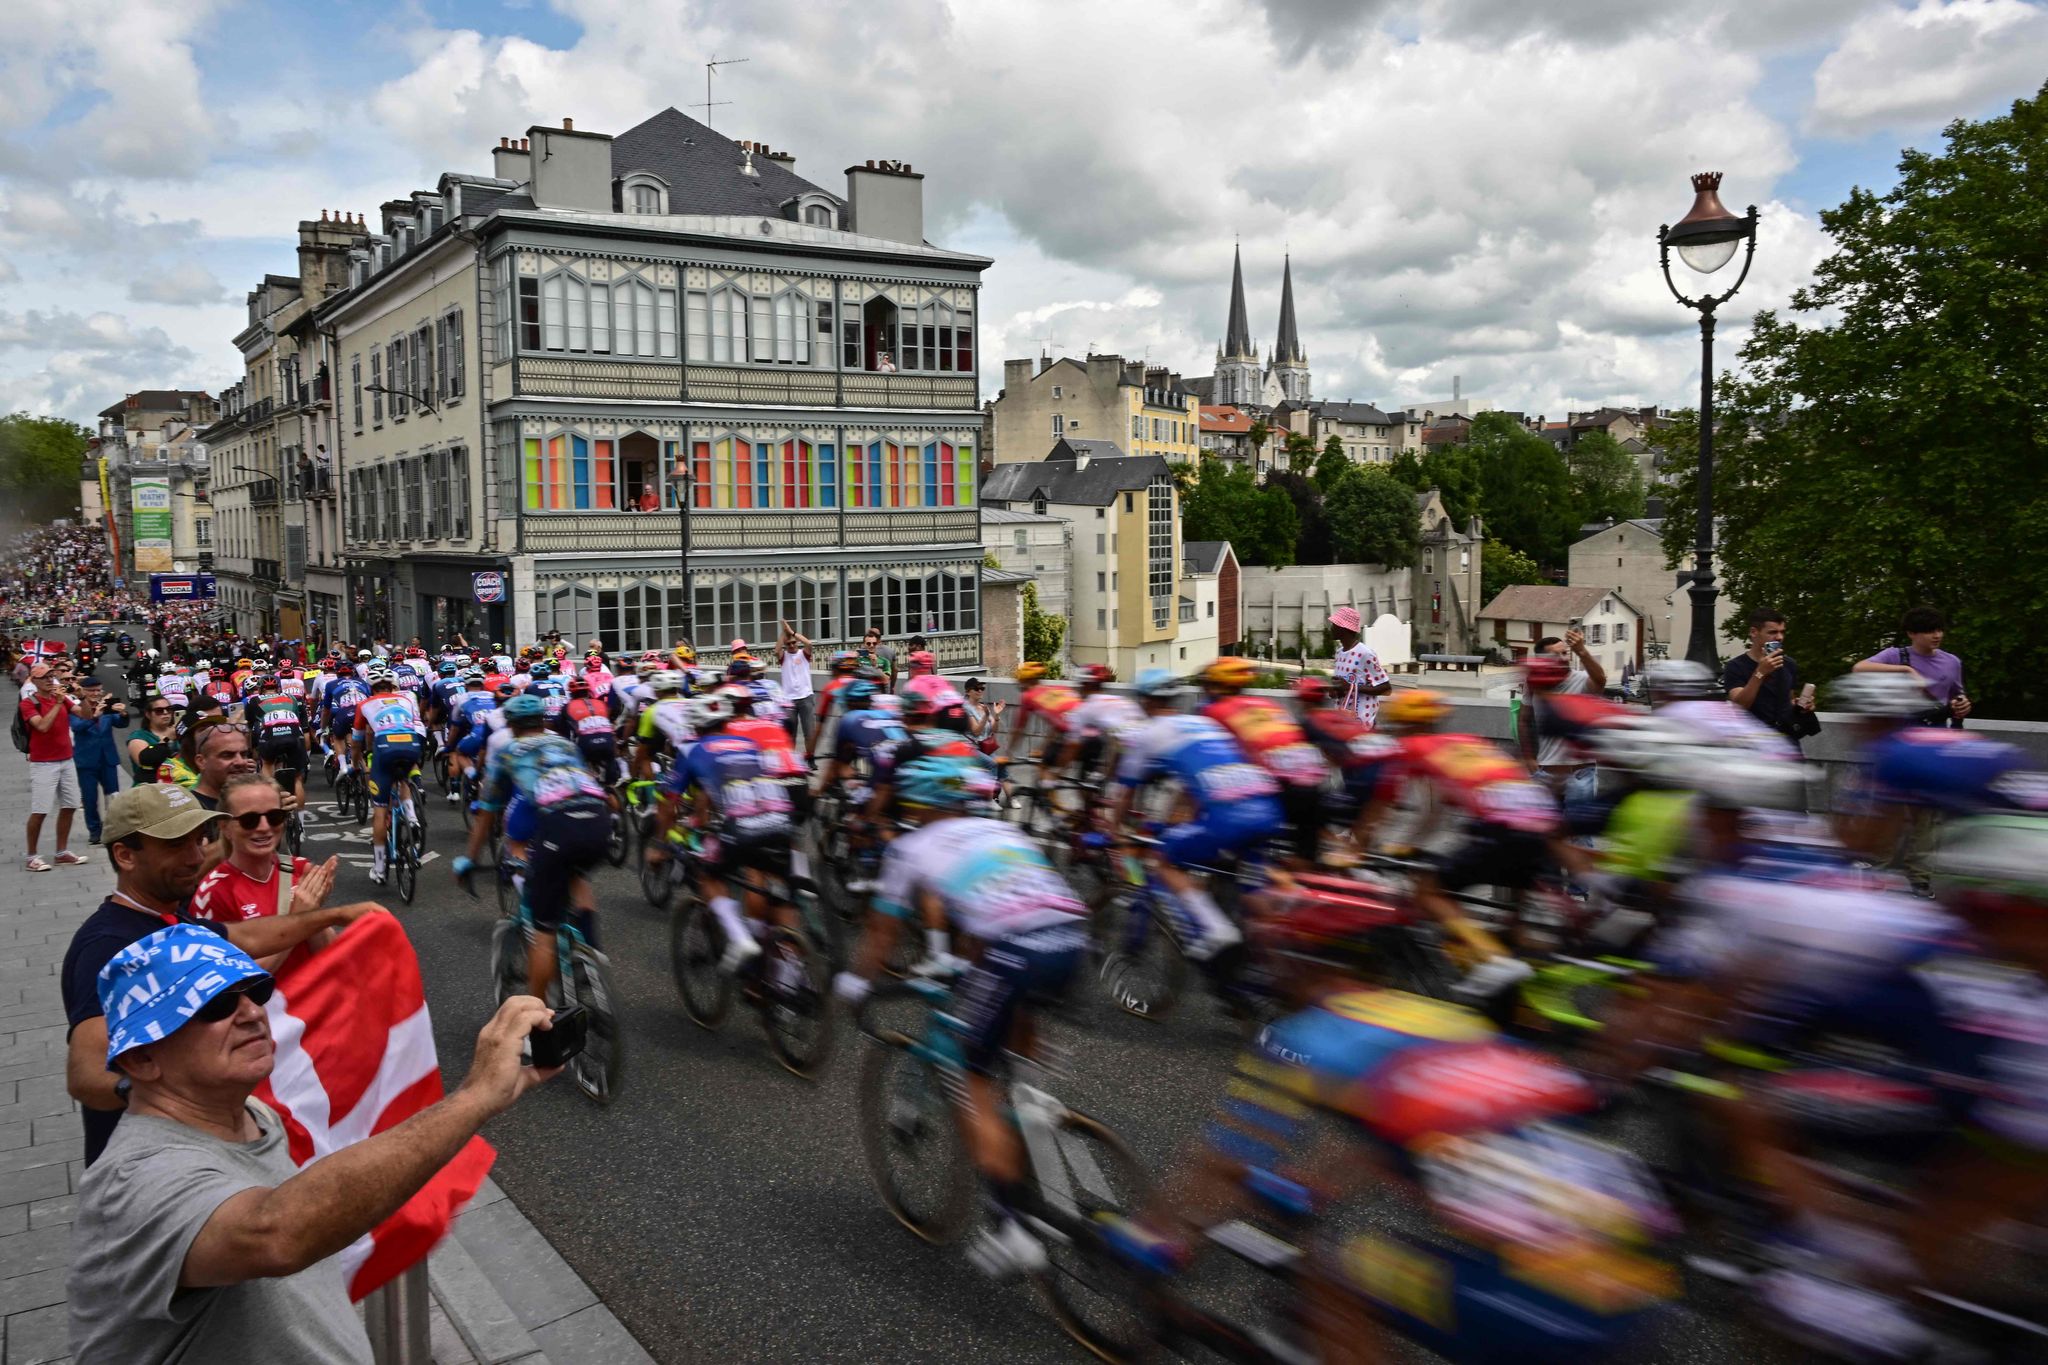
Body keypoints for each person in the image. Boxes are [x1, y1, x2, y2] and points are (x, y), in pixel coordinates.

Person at [68, 925, 560, 1364]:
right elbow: (275, 1234)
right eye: (214, 1005)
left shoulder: (249, 1115)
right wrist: (473, 1098)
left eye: (253, 991)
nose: (249, 1012)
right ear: (141, 1060)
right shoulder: (132, 1181)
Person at [60, 786, 376, 1165]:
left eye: (199, 841)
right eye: (177, 845)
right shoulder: (109, 943)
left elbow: (246, 936)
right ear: (125, 856)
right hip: (153, 1164)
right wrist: (187, 1095)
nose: (196, 857)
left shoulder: (171, 919)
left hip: (203, 1148)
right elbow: (86, 1077)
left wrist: (334, 916)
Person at [455, 694, 610, 1002]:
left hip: (557, 824)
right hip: (599, 820)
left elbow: (488, 812)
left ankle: (534, 1021)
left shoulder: (509, 751)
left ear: (511, 726)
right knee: (577, 877)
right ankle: (591, 951)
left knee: (543, 932)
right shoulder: (567, 745)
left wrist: (470, 859)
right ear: (544, 721)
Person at [191, 773, 352, 951]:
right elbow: (233, 974)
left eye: (274, 816)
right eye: (249, 820)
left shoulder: (300, 869)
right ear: (225, 827)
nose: (264, 827)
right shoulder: (214, 892)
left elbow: (327, 954)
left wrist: (313, 915)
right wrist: (298, 920)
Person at [1521, 630, 1606, 808]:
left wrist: (1582, 651)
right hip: (1546, 772)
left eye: (1565, 653)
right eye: (1556, 655)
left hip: (1581, 774)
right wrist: (1529, 759)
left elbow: (1600, 680)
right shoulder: (1533, 684)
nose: (1564, 658)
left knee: (1580, 833)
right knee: (1547, 830)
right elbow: (1523, 720)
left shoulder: (1581, 679)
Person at [1851, 604, 1970, 726]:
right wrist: (1906, 670)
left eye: (1939, 630)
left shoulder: (1952, 661)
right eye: (1929, 631)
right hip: (1900, 730)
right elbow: (1859, 668)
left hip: (1935, 729)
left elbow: (1956, 695)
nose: (1937, 636)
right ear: (1911, 633)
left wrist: (1962, 703)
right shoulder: (1894, 655)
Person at [1721, 608, 1818, 751]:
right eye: (1773, 632)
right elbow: (1740, 705)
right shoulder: (1736, 666)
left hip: (1787, 742)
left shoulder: (1788, 664)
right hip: (1754, 745)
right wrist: (1760, 672)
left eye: (1782, 632)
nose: (1779, 637)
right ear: (1754, 632)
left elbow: (1787, 699)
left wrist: (1801, 705)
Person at [20, 661, 85, 871]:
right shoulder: (29, 703)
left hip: (66, 759)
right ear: (35, 681)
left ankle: (61, 852)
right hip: (43, 763)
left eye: (51, 676)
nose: (50, 680)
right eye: (44, 677)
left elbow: (86, 715)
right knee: (40, 810)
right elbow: (42, 726)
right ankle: (32, 856)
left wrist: (82, 696)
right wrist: (57, 703)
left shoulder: (62, 698)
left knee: (70, 805)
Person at [69, 675, 129, 846]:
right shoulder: (76, 708)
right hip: (86, 760)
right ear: (83, 692)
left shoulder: (106, 706)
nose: (96, 693)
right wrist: (95, 716)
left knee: (113, 796)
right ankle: (95, 831)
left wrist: (122, 713)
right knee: (90, 798)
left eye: (98, 690)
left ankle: (114, 829)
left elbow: (120, 723)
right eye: (91, 691)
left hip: (107, 758)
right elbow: (77, 727)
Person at [1327, 606, 1392, 728]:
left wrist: (1351, 686)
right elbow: (1345, 685)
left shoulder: (1365, 654)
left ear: (1343, 628)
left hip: (1362, 722)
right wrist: (1336, 690)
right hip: (1343, 720)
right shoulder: (1339, 652)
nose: (1331, 628)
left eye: (1334, 624)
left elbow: (1386, 688)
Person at [125, 692, 181, 785]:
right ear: (148, 714)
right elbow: (145, 762)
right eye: (159, 710)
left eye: (169, 709)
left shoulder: (178, 732)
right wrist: (167, 739)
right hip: (150, 787)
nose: (165, 713)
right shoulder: (138, 737)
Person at [776, 619, 816, 747]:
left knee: (809, 731)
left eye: (794, 643)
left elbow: (808, 643)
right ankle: (791, 760)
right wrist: (784, 631)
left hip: (806, 697)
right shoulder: (784, 657)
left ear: (797, 642)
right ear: (785, 645)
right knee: (790, 733)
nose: (792, 646)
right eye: (788, 644)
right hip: (789, 699)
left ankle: (810, 758)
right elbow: (777, 651)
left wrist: (792, 632)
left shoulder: (803, 654)